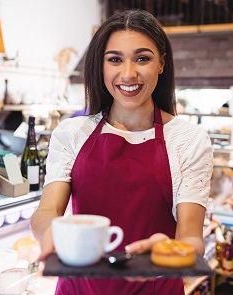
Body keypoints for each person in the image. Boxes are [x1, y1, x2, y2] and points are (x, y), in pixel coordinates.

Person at [30, 9, 213, 295]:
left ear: (161, 64)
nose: (128, 73)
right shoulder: (72, 133)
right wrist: (49, 232)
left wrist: (169, 252)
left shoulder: (188, 140)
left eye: (143, 58)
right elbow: (47, 210)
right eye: (115, 59)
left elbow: (191, 238)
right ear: (100, 66)